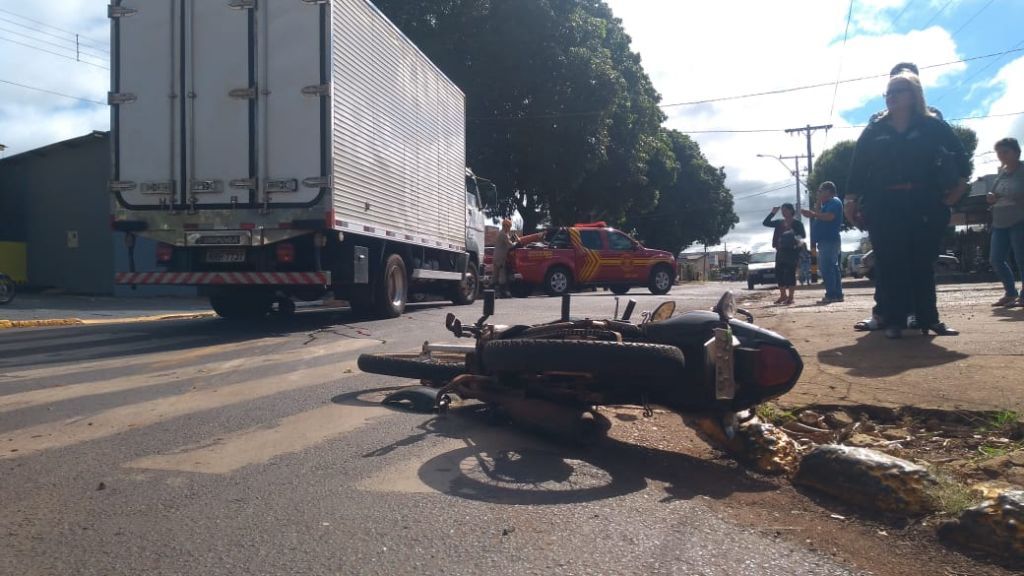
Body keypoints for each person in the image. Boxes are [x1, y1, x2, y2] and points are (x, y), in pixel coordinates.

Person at [845, 70, 970, 339]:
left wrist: (958, 187)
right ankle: (894, 320)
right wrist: (851, 200)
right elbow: (858, 168)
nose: (891, 97)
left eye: (898, 91)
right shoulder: (875, 128)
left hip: (924, 202)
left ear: (914, 95)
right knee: (890, 263)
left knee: (922, 262)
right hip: (884, 204)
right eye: (888, 93)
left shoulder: (932, 125)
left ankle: (929, 319)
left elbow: (960, 156)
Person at [986, 137, 1024, 307]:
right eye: (999, 153)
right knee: (996, 259)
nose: (1001, 156)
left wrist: (1013, 196)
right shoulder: (1001, 173)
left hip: (1019, 220)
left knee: (1021, 258)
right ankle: (1010, 293)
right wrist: (991, 198)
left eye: (1005, 152)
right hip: (999, 221)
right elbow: (994, 195)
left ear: (1016, 152)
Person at [802, 181, 844, 303]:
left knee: (827, 268)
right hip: (825, 240)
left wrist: (813, 213)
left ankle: (831, 295)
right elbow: (818, 215)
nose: (818, 192)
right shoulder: (826, 204)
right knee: (832, 267)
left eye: (821, 190)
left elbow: (830, 217)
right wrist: (817, 205)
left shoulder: (834, 202)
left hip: (829, 240)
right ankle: (837, 294)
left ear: (828, 191)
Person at [762, 203, 806, 305]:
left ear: (791, 210)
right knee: (779, 273)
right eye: (782, 210)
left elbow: (802, 236)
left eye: (785, 210)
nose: (783, 212)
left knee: (790, 274)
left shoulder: (797, 223)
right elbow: (765, 223)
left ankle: (790, 297)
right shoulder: (779, 222)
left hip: (792, 251)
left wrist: (795, 241)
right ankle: (783, 295)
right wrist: (772, 213)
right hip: (780, 250)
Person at [492, 219, 518, 298]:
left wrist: (512, 239)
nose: (510, 228)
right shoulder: (503, 234)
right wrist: (517, 242)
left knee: (495, 276)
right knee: (502, 275)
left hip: (496, 256)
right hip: (501, 258)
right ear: (505, 226)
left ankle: (493, 293)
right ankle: (502, 293)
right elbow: (510, 245)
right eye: (509, 226)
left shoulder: (501, 233)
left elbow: (507, 241)